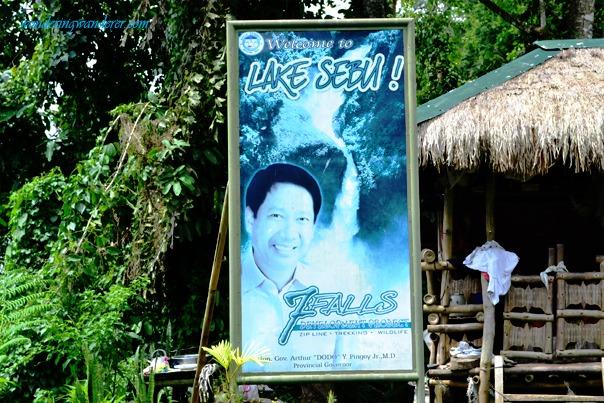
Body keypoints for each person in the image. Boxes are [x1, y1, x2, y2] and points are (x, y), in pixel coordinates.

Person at [241, 163, 330, 372]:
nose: (290, 233)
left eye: (302, 219)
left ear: (313, 227)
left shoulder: (331, 294)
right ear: (249, 219)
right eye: (276, 216)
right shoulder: (228, 290)